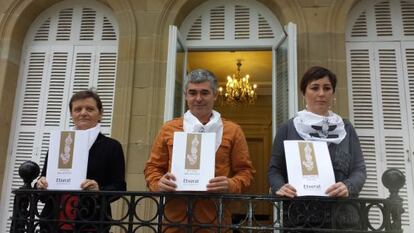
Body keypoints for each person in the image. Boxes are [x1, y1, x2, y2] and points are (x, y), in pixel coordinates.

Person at [144, 69, 255, 233]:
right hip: (174, 222)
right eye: (192, 93)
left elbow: (246, 172)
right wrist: (158, 183)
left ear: (215, 95)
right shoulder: (169, 128)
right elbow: (152, 168)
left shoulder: (233, 131)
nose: (198, 98)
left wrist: (231, 184)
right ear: (185, 95)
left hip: (216, 222)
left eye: (205, 93)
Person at [268, 66, 366, 231]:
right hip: (300, 218)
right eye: (314, 88)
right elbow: (274, 170)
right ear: (303, 93)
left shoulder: (346, 128)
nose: (321, 93)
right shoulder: (288, 128)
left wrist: (348, 186)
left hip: (343, 218)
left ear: (333, 94)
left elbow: (359, 169)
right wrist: (279, 186)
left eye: (327, 88)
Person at [36, 90, 127, 233]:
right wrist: (40, 184)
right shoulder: (59, 143)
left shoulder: (112, 146)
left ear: (100, 114)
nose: (83, 113)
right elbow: (44, 180)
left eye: (90, 109)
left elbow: (119, 187)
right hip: (53, 221)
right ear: (72, 114)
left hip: (92, 222)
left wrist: (99, 190)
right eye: (78, 109)